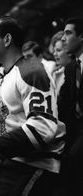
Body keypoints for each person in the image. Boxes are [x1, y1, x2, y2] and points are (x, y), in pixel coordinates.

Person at [0, 16, 65, 196]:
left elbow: (42, 128)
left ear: (7, 39)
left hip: (30, 165)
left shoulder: (32, 72)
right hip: (3, 160)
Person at [59, 18, 83, 195]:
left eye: (68, 33)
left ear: (81, 36)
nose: (62, 38)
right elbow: (64, 104)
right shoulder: (71, 67)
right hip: (75, 130)